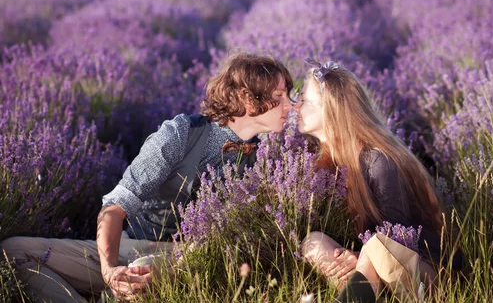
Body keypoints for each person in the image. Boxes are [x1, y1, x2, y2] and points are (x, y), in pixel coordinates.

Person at [0, 53, 293, 302]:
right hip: (134, 245)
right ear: (246, 98)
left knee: (143, 271)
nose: (289, 106)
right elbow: (115, 206)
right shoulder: (180, 134)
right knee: (11, 252)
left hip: (194, 259)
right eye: (280, 97)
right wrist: (109, 269)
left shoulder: (278, 157)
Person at [295, 59, 461, 302]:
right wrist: (354, 256)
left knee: (375, 247)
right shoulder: (331, 160)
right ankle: (363, 293)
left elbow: (398, 238)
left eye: (304, 100)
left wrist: (361, 253)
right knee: (313, 242)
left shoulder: (377, 161)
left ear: (331, 110)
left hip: (427, 271)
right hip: (375, 266)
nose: (295, 105)